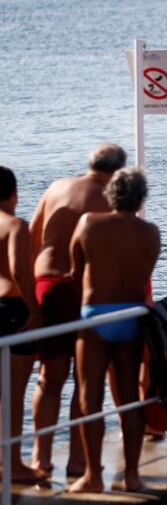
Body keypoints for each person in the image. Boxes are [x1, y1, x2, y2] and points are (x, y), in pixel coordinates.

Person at [29, 143, 127, 476]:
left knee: (49, 378)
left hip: (45, 284)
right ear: (117, 173)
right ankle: (77, 460)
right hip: (81, 290)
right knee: (87, 379)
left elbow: (32, 238)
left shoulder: (56, 187)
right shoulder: (109, 200)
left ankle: (40, 458)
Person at [67, 167, 160, 493]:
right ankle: (132, 475)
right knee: (130, 399)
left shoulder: (89, 223)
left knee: (90, 398)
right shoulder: (151, 232)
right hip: (131, 316)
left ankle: (93, 476)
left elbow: (76, 272)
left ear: (111, 194)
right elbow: (144, 271)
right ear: (141, 197)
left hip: (95, 317)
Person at [0, 166, 43, 483]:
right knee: (13, 395)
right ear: (14, 194)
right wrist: (34, 309)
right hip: (13, 310)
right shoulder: (16, 225)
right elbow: (18, 269)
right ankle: (13, 464)